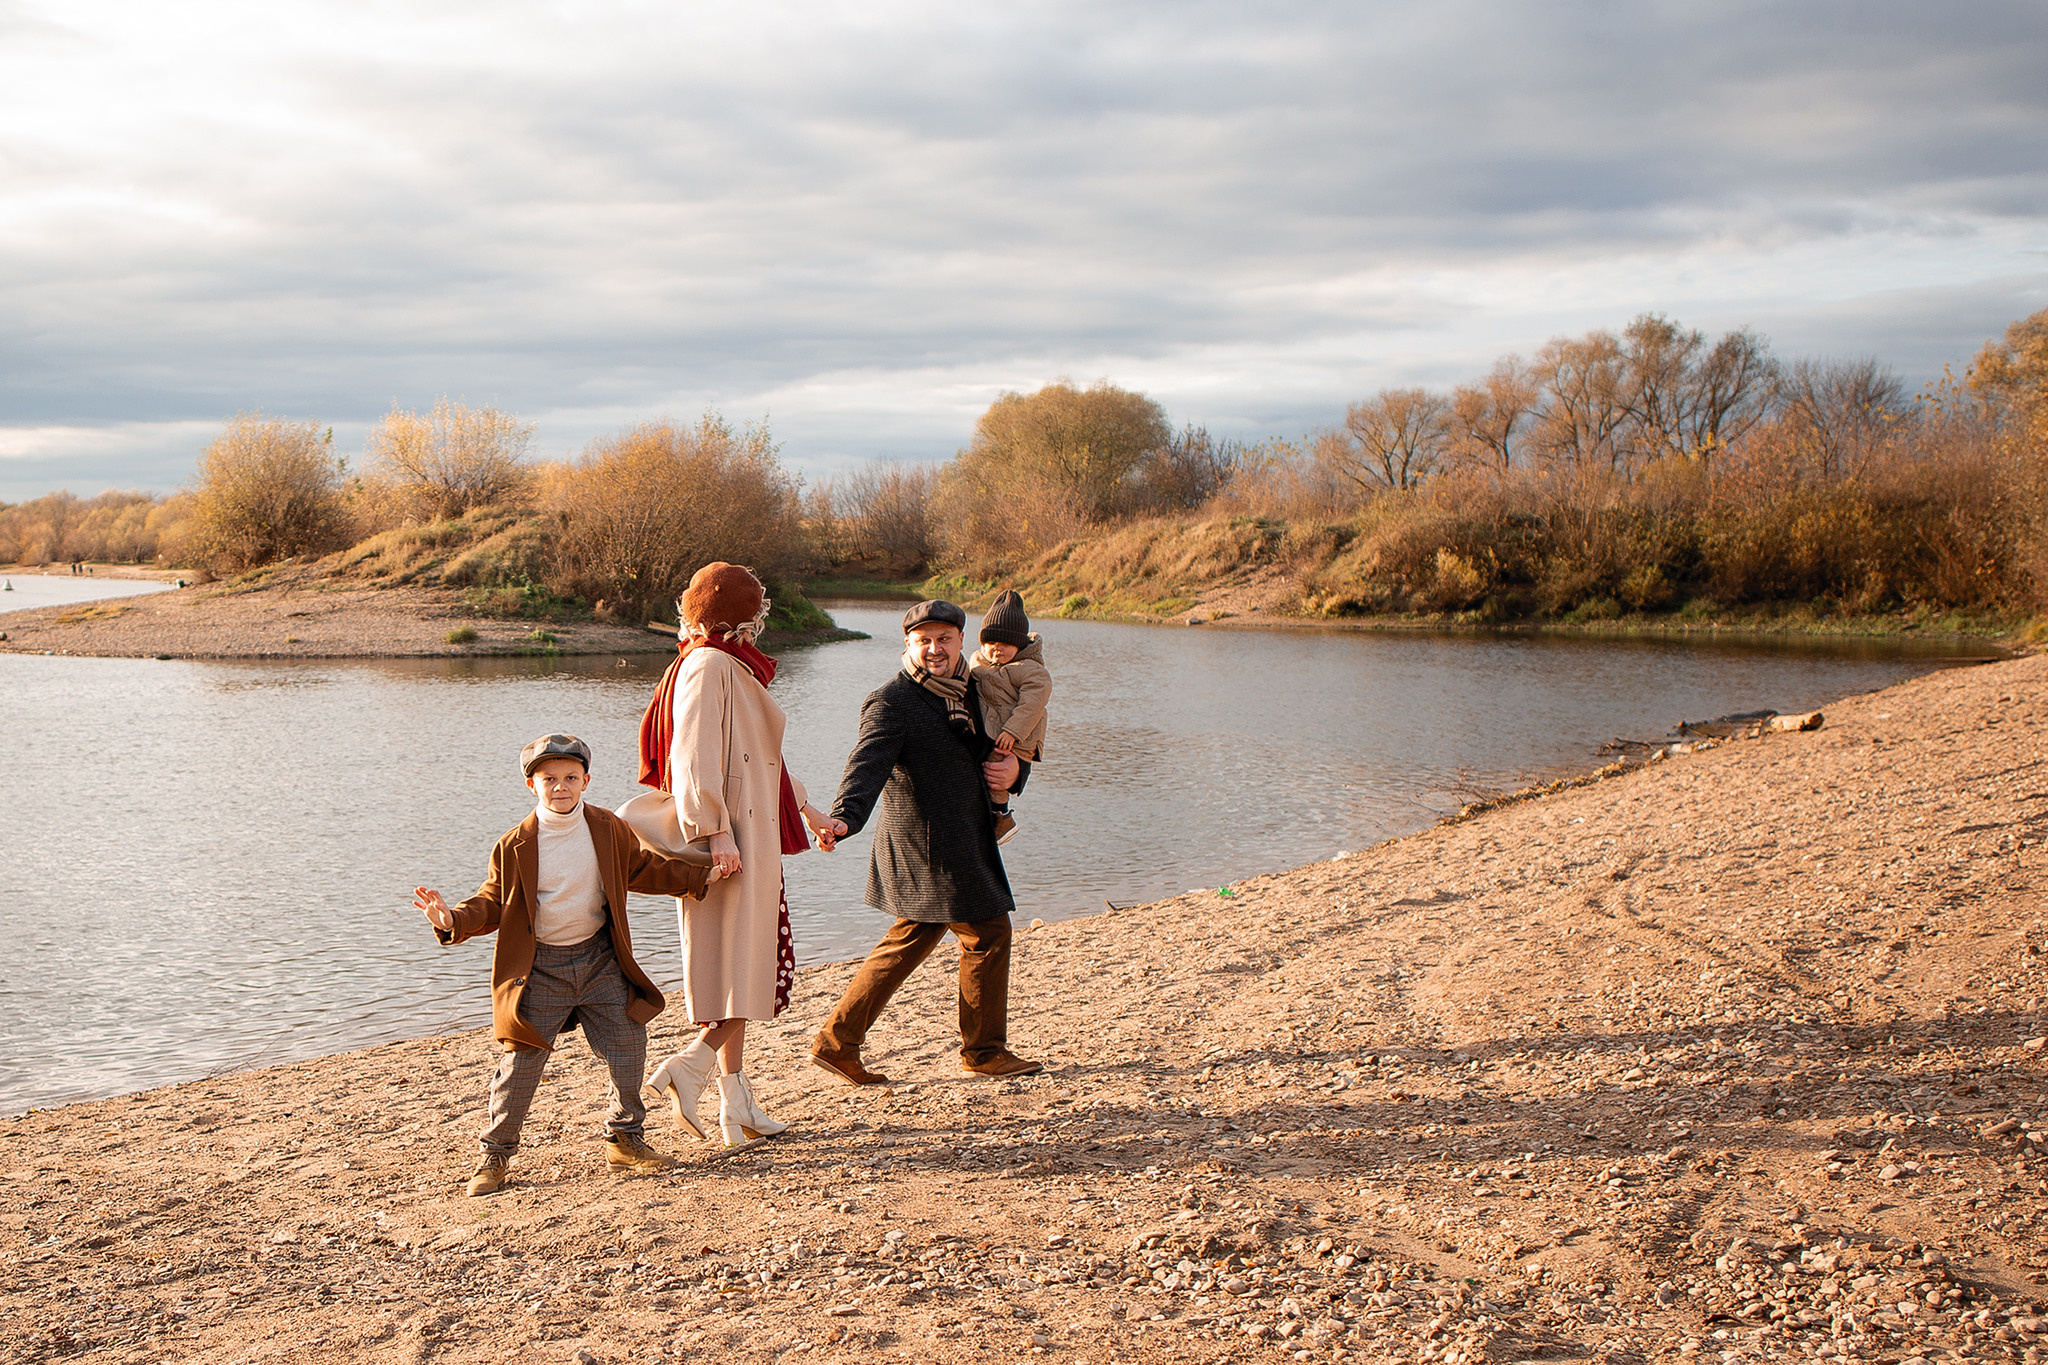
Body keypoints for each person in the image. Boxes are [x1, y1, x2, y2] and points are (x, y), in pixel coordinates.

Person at [415, 733, 711, 1198]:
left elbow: (643, 869)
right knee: (523, 1062)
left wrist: (703, 875)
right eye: (549, 778)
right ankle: (494, 1155)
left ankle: (625, 1140)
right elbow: (493, 901)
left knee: (628, 1043)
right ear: (532, 785)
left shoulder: (608, 827)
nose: (561, 787)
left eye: (571, 777)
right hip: (541, 969)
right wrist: (452, 919)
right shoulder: (514, 844)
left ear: (586, 781)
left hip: (599, 960)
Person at [637, 563, 844, 1148]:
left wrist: (810, 813)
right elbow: (692, 757)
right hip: (729, 842)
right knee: (742, 963)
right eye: (755, 616)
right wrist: (714, 831)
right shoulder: (708, 666)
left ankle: (736, 1104)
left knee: (737, 964)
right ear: (744, 619)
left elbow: (761, 761)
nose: (759, 627)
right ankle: (692, 1066)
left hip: (746, 835)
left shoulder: (722, 664)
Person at [810, 599, 1043, 1086]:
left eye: (944, 639)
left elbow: (1005, 745)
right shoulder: (892, 700)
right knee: (988, 933)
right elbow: (866, 766)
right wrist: (843, 818)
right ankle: (982, 1052)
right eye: (924, 641)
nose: (934, 649)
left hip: (963, 836)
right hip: (926, 845)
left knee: (912, 939)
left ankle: (838, 1044)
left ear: (961, 641)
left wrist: (1016, 772)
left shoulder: (976, 690)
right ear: (909, 645)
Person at [967, 589, 1051, 845]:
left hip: (1018, 737)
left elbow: (1032, 705)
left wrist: (1013, 731)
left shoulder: (1030, 670)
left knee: (995, 765)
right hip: (994, 730)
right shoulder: (977, 662)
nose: (997, 650)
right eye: (990, 643)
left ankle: (1001, 817)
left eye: (1005, 644)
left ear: (1019, 644)